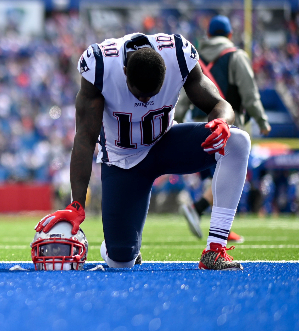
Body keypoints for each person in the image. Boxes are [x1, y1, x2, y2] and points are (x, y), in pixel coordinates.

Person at [36, 33, 251, 270]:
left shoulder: (177, 55)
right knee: (121, 261)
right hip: (123, 160)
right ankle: (120, 243)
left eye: (152, 94)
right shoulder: (100, 66)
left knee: (237, 140)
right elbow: (85, 139)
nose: (146, 100)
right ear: (125, 71)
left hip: (166, 143)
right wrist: (76, 203)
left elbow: (219, 104)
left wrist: (221, 121)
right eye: (140, 94)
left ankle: (215, 250)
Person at [175, 15, 271, 242]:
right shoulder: (236, 56)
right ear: (229, 35)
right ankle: (198, 209)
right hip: (225, 125)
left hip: (198, 125)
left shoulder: (195, 58)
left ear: (208, 35)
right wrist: (261, 120)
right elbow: (249, 94)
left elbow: (184, 96)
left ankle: (219, 225)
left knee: (216, 176)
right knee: (232, 173)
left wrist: (177, 119)